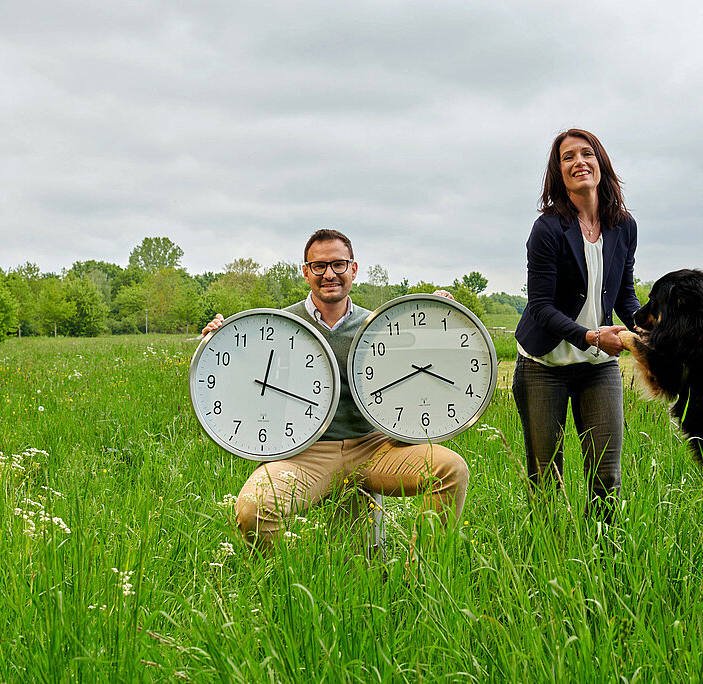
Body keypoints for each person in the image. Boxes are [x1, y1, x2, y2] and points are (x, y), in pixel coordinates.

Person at [202, 229, 470, 551]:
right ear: (306, 272)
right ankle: (293, 586)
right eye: (319, 266)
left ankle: (420, 576)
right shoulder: (279, 324)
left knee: (450, 469)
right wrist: (218, 342)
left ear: (353, 270)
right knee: (252, 511)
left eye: (339, 265)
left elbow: (423, 359)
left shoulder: (379, 325)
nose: (330, 274)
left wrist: (440, 313)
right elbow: (240, 373)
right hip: (305, 453)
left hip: (373, 449)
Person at [512, 128, 641, 523]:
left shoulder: (624, 226)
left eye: (587, 154)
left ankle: (603, 564)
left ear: (601, 163)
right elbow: (540, 307)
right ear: (559, 172)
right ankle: (548, 561)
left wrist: (648, 327)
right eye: (568, 157)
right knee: (546, 479)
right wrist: (589, 336)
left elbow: (625, 296)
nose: (579, 162)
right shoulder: (548, 229)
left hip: (598, 369)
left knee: (606, 477)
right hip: (543, 366)